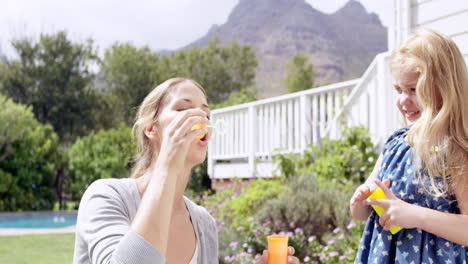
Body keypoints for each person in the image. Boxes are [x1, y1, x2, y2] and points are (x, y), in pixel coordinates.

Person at [73, 77, 300, 264]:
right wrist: (168, 164)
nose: (200, 118)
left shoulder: (204, 223)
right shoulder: (106, 197)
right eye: (183, 109)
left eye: (206, 115)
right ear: (151, 129)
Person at [349, 29, 468, 263]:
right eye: (399, 90)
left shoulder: (455, 149)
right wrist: (362, 201)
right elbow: (363, 213)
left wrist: (415, 215)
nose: (404, 100)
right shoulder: (395, 144)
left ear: (444, 86)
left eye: (414, 90)